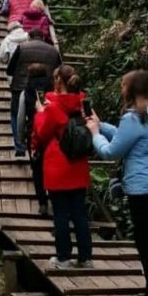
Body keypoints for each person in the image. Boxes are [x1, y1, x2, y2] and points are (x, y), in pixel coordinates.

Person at [86, 70, 148, 296]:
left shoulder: (134, 118)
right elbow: (129, 137)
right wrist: (101, 125)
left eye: (124, 85)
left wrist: (94, 134)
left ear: (132, 89)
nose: (121, 89)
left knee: (147, 244)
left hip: (142, 187)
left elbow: (111, 151)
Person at [33, 65, 93, 269]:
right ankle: (85, 257)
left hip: (58, 164)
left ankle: (64, 256)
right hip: (78, 163)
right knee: (79, 212)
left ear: (58, 81)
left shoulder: (53, 107)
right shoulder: (83, 104)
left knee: (60, 212)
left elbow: (42, 133)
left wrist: (40, 112)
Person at [6, 29, 61, 156]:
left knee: (16, 114)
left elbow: (10, 70)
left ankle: (20, 146)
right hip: (48, 89)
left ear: (29, 37)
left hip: (20, 87)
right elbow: (59, 70)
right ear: (43, 37)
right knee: (45, 115)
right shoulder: (53, 51)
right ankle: (45, 144)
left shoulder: (21, 47)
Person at [21, 63, 55, 216]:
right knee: (53, 166)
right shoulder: (53, 91)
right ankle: (54, 199)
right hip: (52, 133)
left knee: (37, 169)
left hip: (34, 133)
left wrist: (21, 136)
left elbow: (21, 116)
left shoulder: (26, 92)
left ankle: (42, 202)